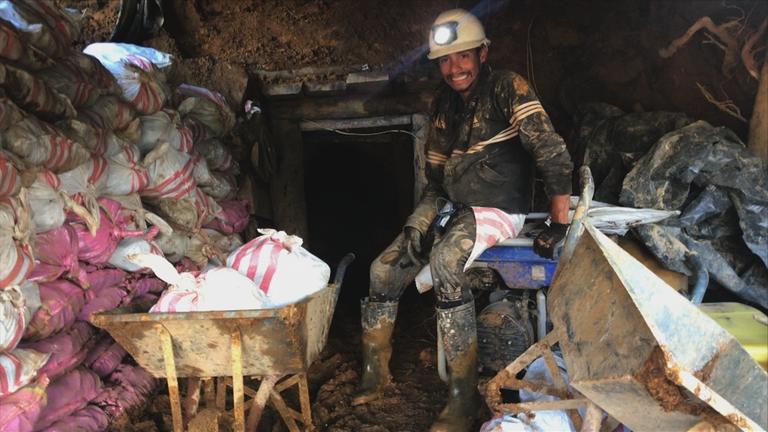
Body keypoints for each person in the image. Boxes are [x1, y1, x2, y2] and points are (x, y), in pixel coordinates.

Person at [352, 8, 574, 432]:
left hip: (499, 208)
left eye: (463, 57)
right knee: (381, 269)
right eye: (445, 60)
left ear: (483, 53)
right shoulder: (442, 106)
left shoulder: (508, 87)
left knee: (446, 262)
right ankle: (375, 372)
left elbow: (549, 149)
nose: (454, 68)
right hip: (452, 207)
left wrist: (559, 218)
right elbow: (436, 182)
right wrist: (419, 221)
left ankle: (463, 394)